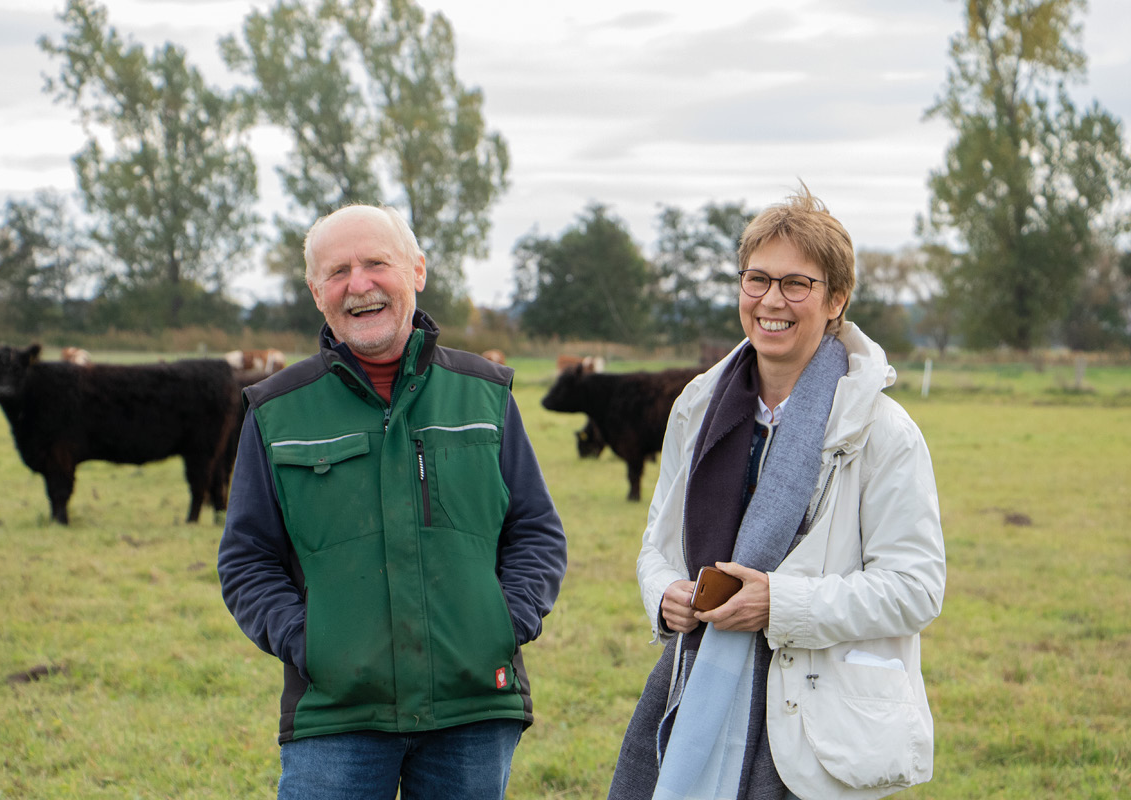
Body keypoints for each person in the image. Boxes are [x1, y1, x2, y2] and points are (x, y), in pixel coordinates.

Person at [218, 204, 568, 800]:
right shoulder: (275, 411)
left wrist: (502, 623)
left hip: (474, 708)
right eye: (338, 271)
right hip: (336, 715)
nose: (359, 284)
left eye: (377, 263)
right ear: (316, 292)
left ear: (417, 271)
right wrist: (312, 644)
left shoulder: (485, 395)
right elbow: (247, 559)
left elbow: (535, 530)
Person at [607, 185, 946, 800]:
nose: (771, 301)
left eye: (797, 284)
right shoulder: (696, 409)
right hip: (693, 688)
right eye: (756, 279)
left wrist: (780, 605)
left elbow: (916, 590)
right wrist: (665, 596)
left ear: (836, 298)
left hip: (816, 717)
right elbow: (655, 547)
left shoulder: (882, 431)